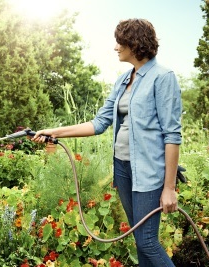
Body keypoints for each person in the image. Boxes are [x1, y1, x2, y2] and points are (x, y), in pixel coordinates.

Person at [32, 18, 181, 267]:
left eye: (120, 42)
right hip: (123, 168)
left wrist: (169, 188)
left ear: (135, 44)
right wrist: (54, 132)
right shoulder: (124, 80)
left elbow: (172, 136)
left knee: (147, 242)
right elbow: (98, 123)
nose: (116, 47)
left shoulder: (163, 78)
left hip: (149, 172)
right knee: (140, 239)